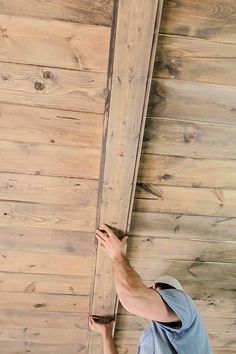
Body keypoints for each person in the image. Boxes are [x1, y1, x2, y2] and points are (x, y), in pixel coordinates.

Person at [89, 224, 212, 354]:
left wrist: (106, 334)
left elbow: (135, 299)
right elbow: (133, 297)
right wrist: (118, 255)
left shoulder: (180, 314)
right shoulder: (184, 308)